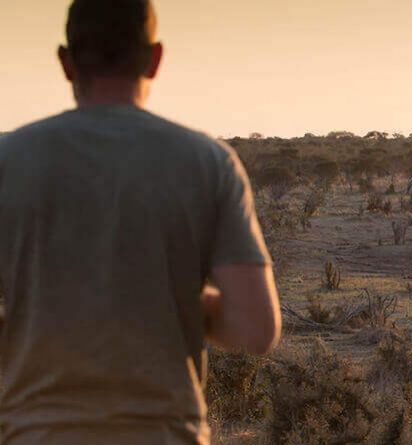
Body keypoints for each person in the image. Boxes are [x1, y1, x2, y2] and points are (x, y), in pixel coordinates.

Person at [0, 0, 281, 443]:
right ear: (154, 58)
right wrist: (171, 298)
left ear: (65, 62)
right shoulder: (207, 163)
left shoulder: (8, 160)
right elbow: (255, 329)